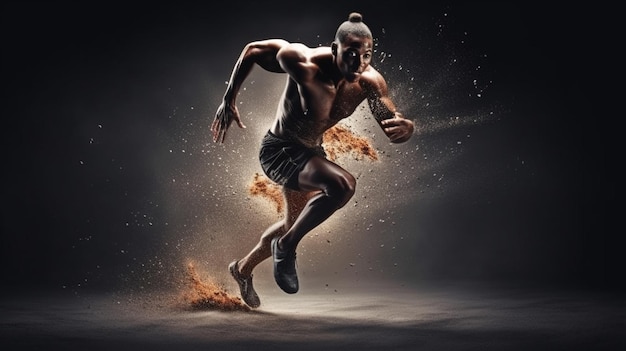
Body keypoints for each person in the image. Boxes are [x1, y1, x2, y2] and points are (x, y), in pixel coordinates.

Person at [211, 12, 414, 308]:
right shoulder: (302, 61)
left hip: (311, 154)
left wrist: (406, 127)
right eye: (352, 54)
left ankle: (241, 269)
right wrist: (228, 99)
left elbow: (389, 119)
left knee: (291, 224)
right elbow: (253, 50)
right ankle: (287, 247)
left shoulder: (371, 82)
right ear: (335, 49)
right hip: (279, 150)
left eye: (367, 56)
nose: (359, 63)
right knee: (342, 185)